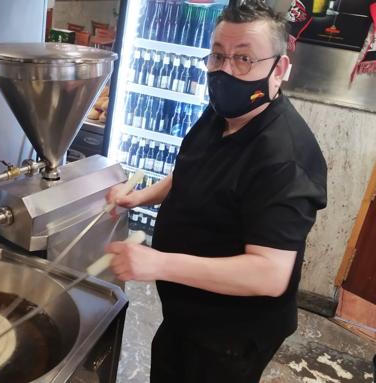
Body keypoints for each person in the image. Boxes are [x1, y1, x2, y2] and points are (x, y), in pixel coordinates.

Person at [105, 1, 327, 382]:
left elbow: (269, 273)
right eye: (218, 56)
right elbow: (194, 171)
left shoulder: (283, 159)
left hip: (229, 336)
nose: (225, 71)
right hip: (187, 313)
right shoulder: (223, 114)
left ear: (280, 70)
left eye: (244, 59)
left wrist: (157, 262)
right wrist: (142, 196)